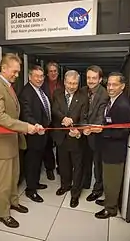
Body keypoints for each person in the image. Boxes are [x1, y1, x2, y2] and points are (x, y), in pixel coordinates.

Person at [0, 53, 37, 228]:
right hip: (1, 144)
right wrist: (25, 127)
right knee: (3, 182)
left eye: (18, 72)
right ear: (3, 68)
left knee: (13, 176)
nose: (16, 75)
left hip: (12, 141)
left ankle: (13, 202)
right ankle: (3, 213)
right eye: (14, 72)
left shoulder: (7, 86)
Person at [94, 72, 130, 219]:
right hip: (108, 148)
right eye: (108, 84)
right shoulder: (113, 100)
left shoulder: (122, 105)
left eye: (114, 84)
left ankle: (110, 209)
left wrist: (102, 131)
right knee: (108, 180)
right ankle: (108, 201)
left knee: (112, 181)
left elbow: (123, 132)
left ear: (122, 86)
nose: (110, 87)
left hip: (115, 152)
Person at [52, 70, 88, 208]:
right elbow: (54, 109)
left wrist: (78, 131)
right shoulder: (57, 93)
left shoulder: (83, 97)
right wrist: (63, 118)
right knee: (63, 164)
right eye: (69, 83)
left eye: (75, 83)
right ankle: (65, 185)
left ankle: (75, 194)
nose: (72, 86)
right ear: (64, 82)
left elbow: (84, 117)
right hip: (61, 137)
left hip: (76, 138)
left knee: (77, 166)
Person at [19, 65, 51, 203]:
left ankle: (35, 183)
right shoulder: (26, 93)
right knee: (32, 163)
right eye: (36, 76)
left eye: (41, 76)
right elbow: (26, 114)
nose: (39, 79)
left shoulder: (39, 89)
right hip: (33, 135)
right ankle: (30, 190)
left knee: (37, 161)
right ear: (29, 77)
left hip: (42, 134)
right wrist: (36, 125)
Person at [82, 65, 109, 201]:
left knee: (97, 164)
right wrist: (82, 126)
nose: (91, 80)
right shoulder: (83, 90)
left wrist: (90, 127)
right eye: (88, 78)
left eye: (94, 78)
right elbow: (81, 111)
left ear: (100, 79)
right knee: (85, 160)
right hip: (84, 134)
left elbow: (100, 118)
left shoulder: (104, 94)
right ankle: (85, 183)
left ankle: (98, 189)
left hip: (97, 136)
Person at [41, 62, 62, 179]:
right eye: (51, 71)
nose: (53, 73)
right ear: (47, 73)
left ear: (58, 72)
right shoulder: (42, 85)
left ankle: (60, 166)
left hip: (59, 120)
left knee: (60, 144)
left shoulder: (62, 85)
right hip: (46, 120)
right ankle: (50, 168)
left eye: (55, 71)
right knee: (47, 145)